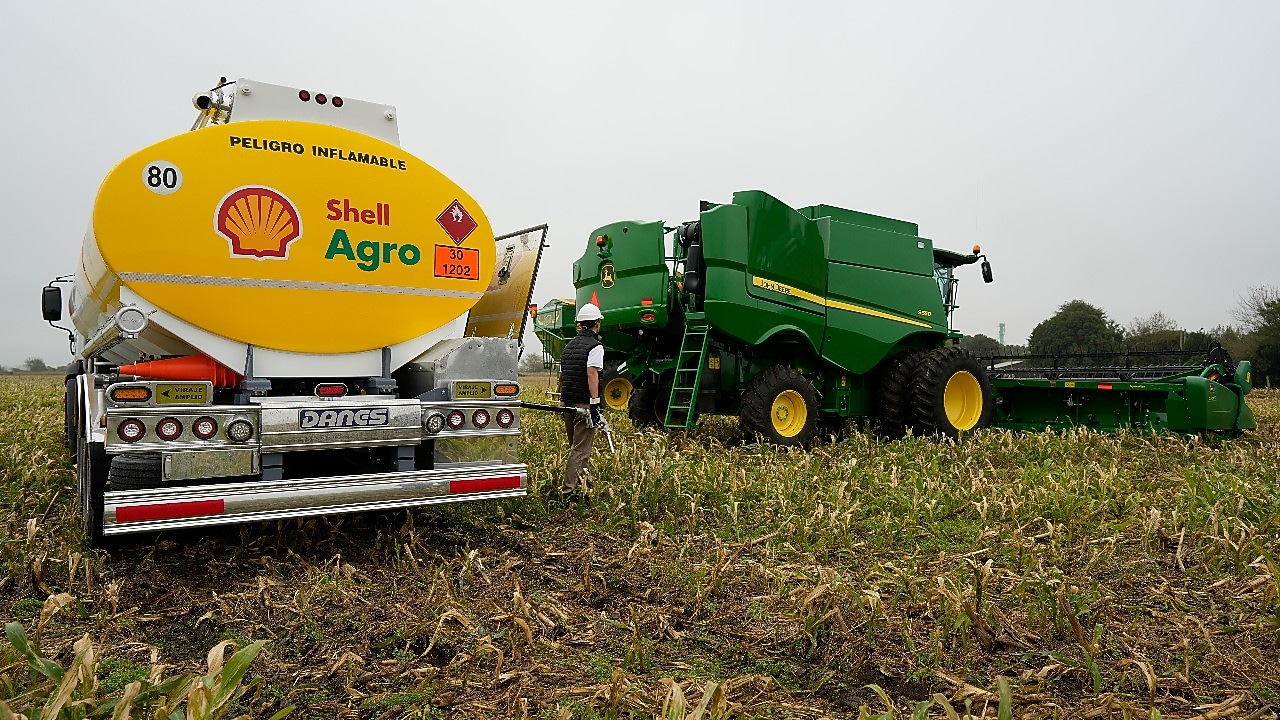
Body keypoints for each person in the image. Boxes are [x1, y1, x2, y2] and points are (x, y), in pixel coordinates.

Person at [558, 302, 605, 500]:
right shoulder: (595, 346)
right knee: (580, 450)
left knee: (578, 448)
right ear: (596, 324)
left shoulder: (569, 346)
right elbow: (592, 373)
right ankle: (568, 493)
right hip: (583, 404)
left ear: (579, 324)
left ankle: (586, 485)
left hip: (567, 402)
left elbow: (563, 376)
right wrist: (595, 402)